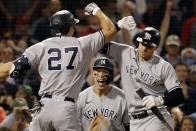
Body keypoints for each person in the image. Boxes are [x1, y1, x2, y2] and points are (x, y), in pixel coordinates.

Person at [0, 2, 136, 131]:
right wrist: (97, 11)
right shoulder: (83, 44)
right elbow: (110, 30)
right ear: (71, 27)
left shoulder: (40, 47)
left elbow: (9, 68)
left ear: (53, 28)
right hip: (66, 107)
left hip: (42, 106)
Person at [100, 27, 184, 131]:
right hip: (134, 121)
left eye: (149, 46)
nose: (145, 48)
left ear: (155, 47)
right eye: (143, 44)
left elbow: (179, 96)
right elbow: (99, 44)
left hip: (155, 117)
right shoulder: (126, 52)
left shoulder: (163, 66)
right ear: (138, 42)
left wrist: (160, 100)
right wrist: (117, 26)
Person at [77, 57, 129, 131]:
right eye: (98, 71)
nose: (100, 75)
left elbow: (128, 126)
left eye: (105, 72)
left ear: (111, 76)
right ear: (93, 74)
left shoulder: (122, 97)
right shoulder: (82, 97)